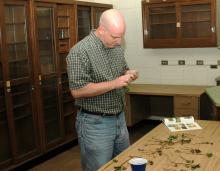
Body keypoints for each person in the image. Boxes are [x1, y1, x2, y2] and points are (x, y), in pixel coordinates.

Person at [66, 9, 138, 171]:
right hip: (95, 123)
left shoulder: (116, 45)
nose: (119, 41)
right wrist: (115, 83)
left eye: (122, 36)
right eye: (115, 37)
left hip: (119, 118)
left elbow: (122, 71)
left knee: (123, 164)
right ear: (101, 30)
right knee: (99, 168)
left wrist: (128, 74)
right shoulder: (80, 52)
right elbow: (77, 91)